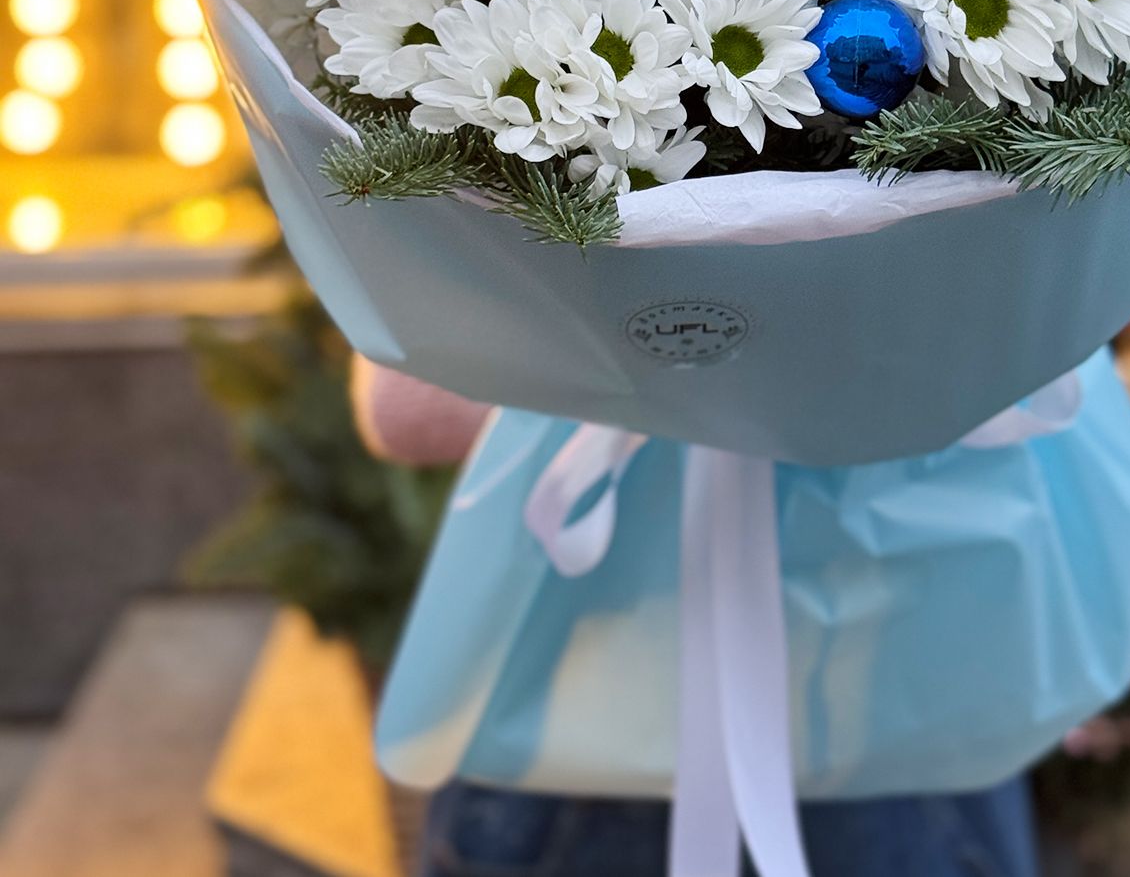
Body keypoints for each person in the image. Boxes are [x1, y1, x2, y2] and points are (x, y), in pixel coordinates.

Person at [353, 360, 1042, 877]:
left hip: (605, 707)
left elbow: (405, 403)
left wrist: (656, 360)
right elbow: (407, 409)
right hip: (882, 694)